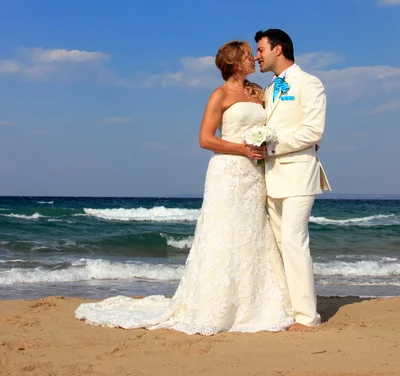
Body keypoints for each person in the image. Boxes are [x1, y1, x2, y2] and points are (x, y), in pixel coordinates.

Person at [76, 41, 293, 334]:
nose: (253, 58)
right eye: (246, 54)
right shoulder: (220, 95)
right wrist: (242, 149)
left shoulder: (258, 92)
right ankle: (217, 304)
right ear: (234, 61)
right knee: (222, 234)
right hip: (228, 173)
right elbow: (205, 139)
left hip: (254, 177)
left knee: (252, 233)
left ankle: (256, 303)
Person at [254, 29, 331, 331]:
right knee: (280, 245)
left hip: (298, 173)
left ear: (278, 49)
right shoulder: (269, 87)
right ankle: (289, 307)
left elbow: (313, 131)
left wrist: (271, 143)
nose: (256, 56)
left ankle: (307, 317)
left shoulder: (310, 83)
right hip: (272, 178)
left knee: (294, 242)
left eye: (260, 49)